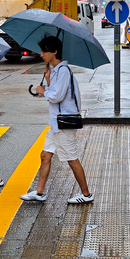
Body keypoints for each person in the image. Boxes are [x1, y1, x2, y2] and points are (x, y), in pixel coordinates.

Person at [21, 35, 93, 204]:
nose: (41, 54)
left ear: (54, 51)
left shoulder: (63, 71)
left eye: (44, 51)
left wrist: (42, 91)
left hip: (63, 125)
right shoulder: (58, 71)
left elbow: (57, 96)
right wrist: (47, 79)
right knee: (45, 155)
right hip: (56, 124)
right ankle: (39, 192)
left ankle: (86, 194)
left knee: (72, 159)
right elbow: (57, 91)